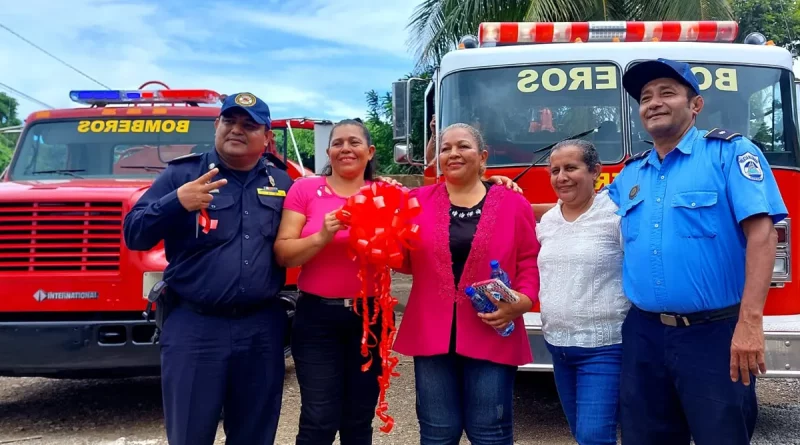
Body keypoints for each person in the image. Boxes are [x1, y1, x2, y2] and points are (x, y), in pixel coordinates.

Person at [609, 58, 787, 444]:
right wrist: (501, 193)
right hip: (644, 334)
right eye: (645, 97)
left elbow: (763, 236)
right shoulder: (632, 174)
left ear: (695, 105)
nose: (653, 102)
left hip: (715, 334)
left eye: (667, 93)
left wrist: (750, 323)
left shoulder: (729, 154)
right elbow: (580, 213)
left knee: (721, 435)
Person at [123, 92, 291, 445]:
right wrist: (175, 203)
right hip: (195, 327)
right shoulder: (181, 175)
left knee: (255, 436)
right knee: (190, 435)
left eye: (249, 125)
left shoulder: (283, 183)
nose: (237, 130)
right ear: (216, 125)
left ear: (266, 136)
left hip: (261, 328)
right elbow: (134, 234)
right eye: (230, 121)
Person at [393, 122, 540, 444]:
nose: (453, 153)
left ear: (483, 156)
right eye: (445, 148)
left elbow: (529, 259)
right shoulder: (415, 201)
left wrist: (524, 302)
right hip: (432, 330)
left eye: (463, 146)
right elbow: (400, 259)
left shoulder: (513, 203)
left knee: (490, 432)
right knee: (437, 432)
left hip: (493, 327)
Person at [273, 118, 383, 445]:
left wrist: (494, 181)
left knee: (359, 418)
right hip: (317, 318)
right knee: (319, 418)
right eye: (338, 143)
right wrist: (322, 236)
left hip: (370, 318)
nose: (346, 149)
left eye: (354, 142)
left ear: (370, 151)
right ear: (328, 150)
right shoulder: (305, 189)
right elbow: (284, 253)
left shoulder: (386, 193)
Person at [535, 139, 629, 445]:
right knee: (580, 433)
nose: (561, 177)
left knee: (593, 436)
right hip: (558, 347)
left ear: (595, 172)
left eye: (571, 168)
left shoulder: (616, 217)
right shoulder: (547, 222)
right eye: (555, 170)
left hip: (604, 347)